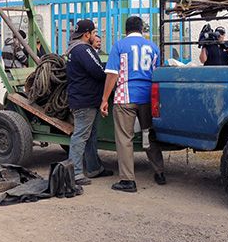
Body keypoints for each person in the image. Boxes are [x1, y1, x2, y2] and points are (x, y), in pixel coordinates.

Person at [100, 16, 165, 193]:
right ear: (142, 29)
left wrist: (105, 99)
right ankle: (159, 172)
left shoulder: (120, 46)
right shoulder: (152, 47)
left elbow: (112, 74)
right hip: (147, 97)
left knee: (124, 139)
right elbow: (158, 72)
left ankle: (128, 180)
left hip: (125, 97)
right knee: (148, 134)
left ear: (126, 29)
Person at [66, 19, 113, 185]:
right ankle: (75, 174)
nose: (95, 36)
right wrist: (113, 71)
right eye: (94, 33)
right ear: (87, 35)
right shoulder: (83, 49)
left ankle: (93, 168)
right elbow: (98, 71)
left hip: (84, 99)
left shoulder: (74, 49)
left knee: (91, 136)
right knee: (80, 136)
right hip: (84, 101)